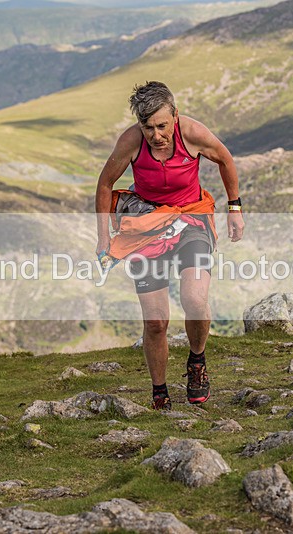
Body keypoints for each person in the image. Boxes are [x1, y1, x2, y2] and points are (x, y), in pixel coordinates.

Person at [95, 81, 244, 410]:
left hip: (192, 219)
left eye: (162, 126)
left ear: (175, 116)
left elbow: (225, 159)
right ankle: (159, 392)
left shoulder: (192, 133)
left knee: (195, 299)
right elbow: (105, 184)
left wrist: (235, 208)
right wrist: (104, 238)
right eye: (148, 127)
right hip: (147, 227)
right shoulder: (131, 142)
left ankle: (197, 361)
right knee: (156, 322)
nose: (156, 135)